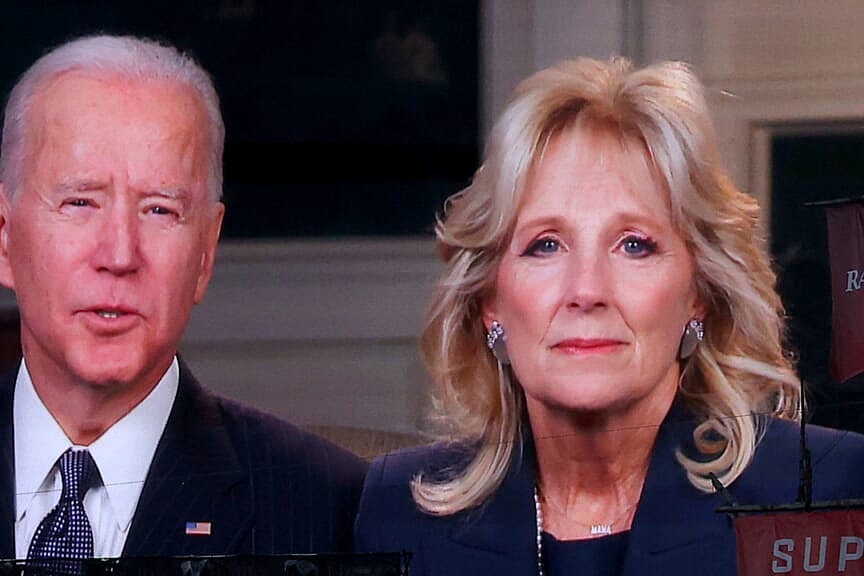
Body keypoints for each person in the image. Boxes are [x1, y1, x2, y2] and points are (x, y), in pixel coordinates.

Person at [0, 35, 365, 562]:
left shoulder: (331, 509)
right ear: (1, 234)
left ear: (206, 252)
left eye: (159, 210)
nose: (119, 254)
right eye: (80, 202)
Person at [354, 57, 864, 575]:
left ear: (699, 294)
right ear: (490, 302)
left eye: (635, 245)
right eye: (545, 245)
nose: (587, 290)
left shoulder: (828, 495)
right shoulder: (396, 515)